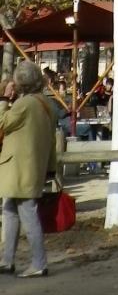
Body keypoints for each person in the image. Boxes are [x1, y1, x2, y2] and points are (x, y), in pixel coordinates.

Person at [0, 61, 57, 279]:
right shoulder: (45, 103)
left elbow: (2, 123)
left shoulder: (24, 104)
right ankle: (7, 260)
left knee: (27, 213)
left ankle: (39, 262)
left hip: (19, 168)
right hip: (32, 167)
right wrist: (51, 168)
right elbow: (52, 140)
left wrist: (4, 99)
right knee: (10, 209)